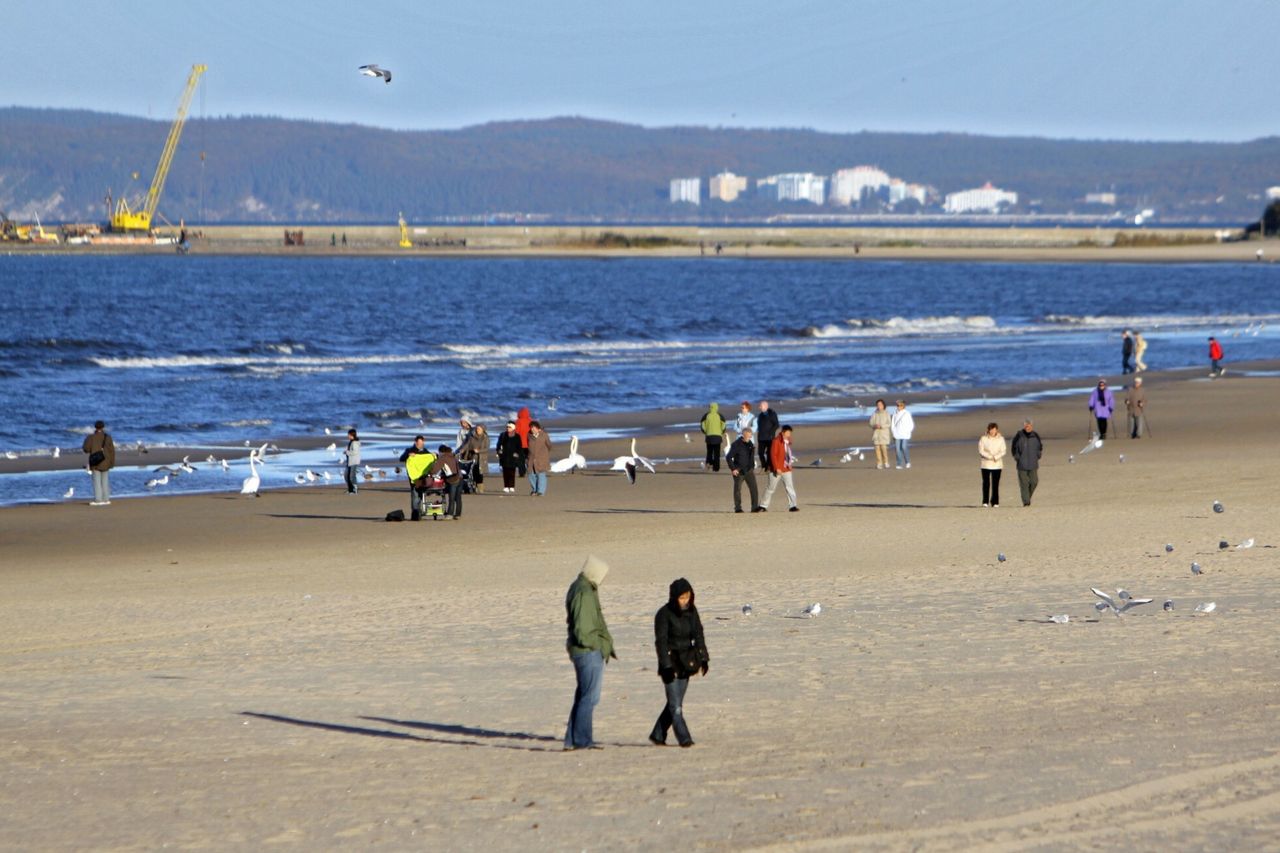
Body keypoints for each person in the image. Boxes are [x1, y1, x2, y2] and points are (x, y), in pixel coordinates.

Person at [649, 577, 708, 748]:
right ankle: (685, 739)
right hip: (670, 663)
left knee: (674, 703)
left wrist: (703, 657)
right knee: (676, 707)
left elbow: (698, 634)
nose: (685, 601)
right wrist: (666, 666)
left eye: (687, 597)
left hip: (687, 662)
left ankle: (658, 734)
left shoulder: (692, 611)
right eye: (682, 598)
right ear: (674, 597)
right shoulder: (663, 614)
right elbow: (661, 642)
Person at [564, 555, 616, 751]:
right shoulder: (584, 592)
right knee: (590, 697)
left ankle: (572, 740)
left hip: (585, 650)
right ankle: (582, 740)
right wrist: (599, 645)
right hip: (587, 651)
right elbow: (583, 630)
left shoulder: (582, 587)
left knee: (583, 695)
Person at [760, 424, 798, 512]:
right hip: (776, 469)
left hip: (786, 468)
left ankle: (793, 505)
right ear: (783, 432)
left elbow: (787, 452)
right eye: (788, 433)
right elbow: (773, 455)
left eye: (790, 433)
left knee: (790, 487)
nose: (789, 435)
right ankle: (763, 505)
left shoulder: (787, 441)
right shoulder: (776, 441)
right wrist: (777, 468)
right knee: (770, 488)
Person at [725, 427, 760, 513]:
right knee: (737, 490)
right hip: (738, 471)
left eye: (751, 434)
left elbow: (751, 457)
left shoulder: (751, 444)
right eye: (749, 434)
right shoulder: (736, 444)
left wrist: (752, 467)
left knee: (754, 489)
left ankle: (754, 507)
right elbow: (729, 457)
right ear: (744, 434)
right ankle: (738, 508)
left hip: (749, 470)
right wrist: (733, 469)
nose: (750, 436)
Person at [81, 420, 115, 506]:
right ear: (103, 427)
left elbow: (86, 449)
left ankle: (98, 500)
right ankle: (106, 499)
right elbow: (112, 451)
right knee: (105, 481)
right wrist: (112, 463)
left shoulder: (91, 437)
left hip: (95, 461)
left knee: (96, 481)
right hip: (106, 461)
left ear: (95, 427)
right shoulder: (108, 437)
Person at [1010, 419, 1043, 507]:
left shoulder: (1035, 435)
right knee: (1024, 483)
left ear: (1032, 426)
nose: (1028, 427)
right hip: (1022, 464)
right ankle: (1026, 502)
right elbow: (1013, 447)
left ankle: (1027, 497)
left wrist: (1038, 455)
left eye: (1029, 425)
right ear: (1024, 426)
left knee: (1034, 482)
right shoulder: (1019, 435)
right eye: (1026, 425)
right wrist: (1017, 458)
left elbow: (1040, 447)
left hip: (1033, 463)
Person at [399, 435, 431, 520]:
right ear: (415, 442)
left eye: (422, 443)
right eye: (419, 443)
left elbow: (430, 459)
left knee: (421, 494)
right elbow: (401, 458)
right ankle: (415, 514)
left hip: (423, 476)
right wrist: (409, 455)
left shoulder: (425, 451)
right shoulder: (409, 450)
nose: (421, 445)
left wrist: (434, 455)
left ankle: (419, 512)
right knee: (415, 494)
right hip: (414, 477)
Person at [430, 445, 464, 519]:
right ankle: (458, 514)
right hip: (460, 477)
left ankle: (450, 514)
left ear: (441, 452)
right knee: (458, 498)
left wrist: (430, 473)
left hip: (453, 479)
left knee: (451, 498)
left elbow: (435, 469)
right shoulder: (453, 456)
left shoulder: (443, 458)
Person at [979, 422, 1006, 508]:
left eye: (994, 429)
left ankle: (995, 502)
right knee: (986, 483)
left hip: (997, 464)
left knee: (995, 484)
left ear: (996, 430)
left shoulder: (1001, 439)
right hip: (986, 464)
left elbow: (1003, 450)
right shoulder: (983, 438)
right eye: (991, 429)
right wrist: (990, 456)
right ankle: (985, 501)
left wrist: (996, 457)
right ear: (988, 430)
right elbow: (981, 450)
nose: (992, 431)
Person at [458, 423, 490, 493]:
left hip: (481, 458)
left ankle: (480, 488)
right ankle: (474, 487)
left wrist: (479, 451)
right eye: (477, 429)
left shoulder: (485, 438)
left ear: (483, 430)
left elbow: (487, 448)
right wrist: (462, 450)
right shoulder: (472, 437)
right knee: (471, 472)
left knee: (479, 473)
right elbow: (467, 445)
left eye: (479, 429)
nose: (477, 430)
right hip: (471, 457)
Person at [496, 421, 526, 494]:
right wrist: (499, 451)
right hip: (504, 456)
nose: (508, 428)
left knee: (512, 472)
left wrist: (517, 453)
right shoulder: (503, 435)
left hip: (513, 456)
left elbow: (519, 446)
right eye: (507, 427)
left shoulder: (517, 436)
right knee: (505, 472)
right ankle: (506, 486)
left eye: (509, 427)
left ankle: (512, 486)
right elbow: (498, 444)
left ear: (513, 428)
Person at [526, 420, 552, 496]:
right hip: (531, 458)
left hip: (542, 458)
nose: (532, 429)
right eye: (531, 428)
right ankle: (535, 490)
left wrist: (544, 453)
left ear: (538, 428)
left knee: (541, 474)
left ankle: (541, 491)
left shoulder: (544, 435)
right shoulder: (529, 436)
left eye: (534, 428)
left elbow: (549, 445)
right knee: (531, 474)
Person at [700, 402, 726, 472]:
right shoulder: (720, 415)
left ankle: (709, 463)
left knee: (709, 452)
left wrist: (706, 431)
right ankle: (716, 468)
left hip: (709, 437)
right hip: (718, 437)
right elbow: (724, 425)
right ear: (717, 407)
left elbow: (702, 425)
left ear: (710, 407)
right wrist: (721, 432)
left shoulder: (706, 415)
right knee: (717, 453)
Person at [890, 399, 915, 469]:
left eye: (900, 405)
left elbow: (911, 423)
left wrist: (909, 431)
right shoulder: (895, 413)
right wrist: (893, 431)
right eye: (897, 405)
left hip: (905, 433)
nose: (899, 407)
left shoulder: (907, 413)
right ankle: (899, 464)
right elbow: (893, 423)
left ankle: (907, 462)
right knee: (898, 449)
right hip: (897, 433)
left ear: (903, 406)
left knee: (903, 447)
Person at [755, 400, 779, 472]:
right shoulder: (760, 415)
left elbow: (776, 424)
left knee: (769, 453)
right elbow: (759, 426)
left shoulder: (772, 414)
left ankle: (768, 467)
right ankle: (764, 465)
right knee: (760, 453)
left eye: (760, 406)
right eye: (759, 406)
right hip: (761, 437)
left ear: (766, 406)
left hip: (770, 438)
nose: (759, 407)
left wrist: (771, 432)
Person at [869, 399, 892, 469]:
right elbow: (870, 423)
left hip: (884, 433)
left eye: (880, 405)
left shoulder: (887, 413)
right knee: (877, 448)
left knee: (883, 448)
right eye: (878, 405)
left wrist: (882, 426)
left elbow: (889, 423)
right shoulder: (874, 413)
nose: (879, 406)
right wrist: (874, 426)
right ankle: (879, 463)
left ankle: (886, 462)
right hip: (876, 433)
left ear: (883, 405)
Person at [343, 428, 361, 494]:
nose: (348, 436)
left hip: (354, 461)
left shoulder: (355, 443)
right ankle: (350, 489)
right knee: (346, 475)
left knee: (352, 476)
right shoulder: (351, 442)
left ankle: (355, 490)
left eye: (348, 435)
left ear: (351, 435)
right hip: (349, 461)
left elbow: (355, 452)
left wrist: (347, 452)